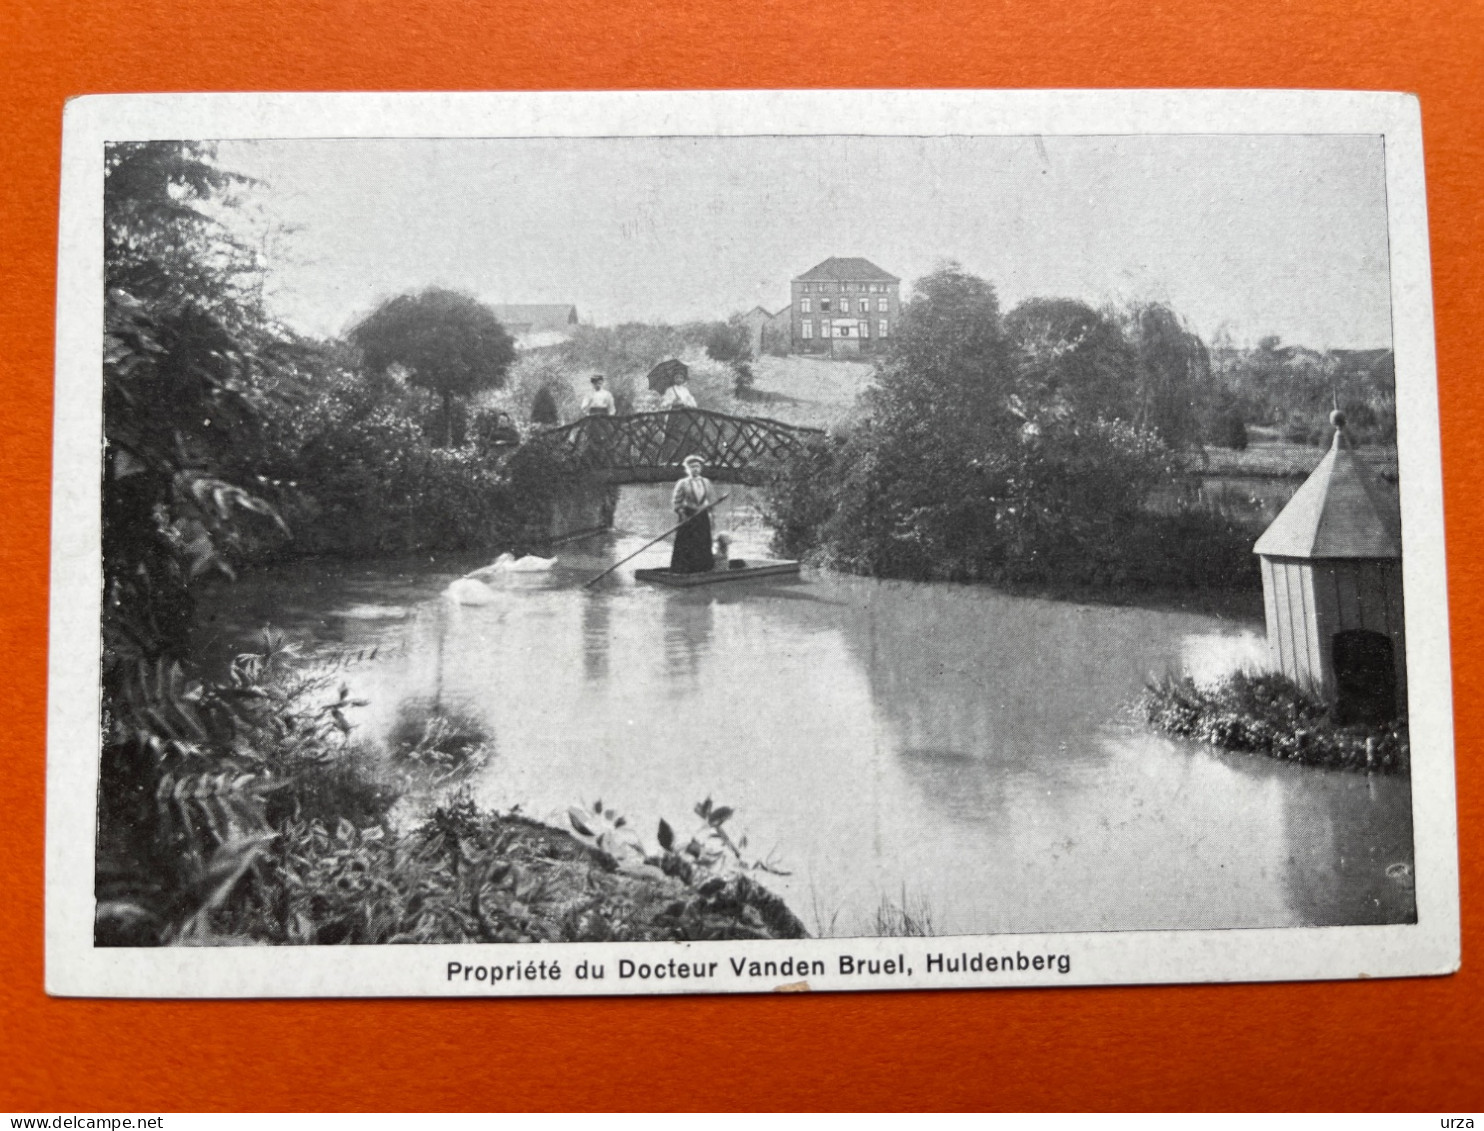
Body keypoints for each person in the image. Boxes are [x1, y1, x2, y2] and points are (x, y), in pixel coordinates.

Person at [670, 455, 716, 574]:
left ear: (701, 468)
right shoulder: (682, 483)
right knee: (686, 544)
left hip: (702, 516)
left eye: (697, 467)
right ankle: (682, 570)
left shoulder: (706, 482)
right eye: (692, 467)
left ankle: (703, 569)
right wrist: (681, 513)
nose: (695, 469)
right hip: (688, 516)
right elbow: (676, 502)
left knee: (703, 542)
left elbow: (710, 501)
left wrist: (712, 516)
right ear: (687, 469)